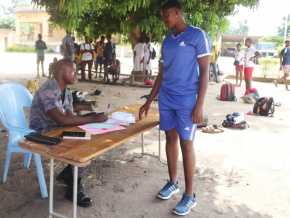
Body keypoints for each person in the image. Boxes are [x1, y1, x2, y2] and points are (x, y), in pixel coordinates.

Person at [139, 0, 211, 216]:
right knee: (170, 139)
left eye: (166, 16)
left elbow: (205, 71)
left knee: (186, 144)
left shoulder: (198, 36)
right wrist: (150, 99)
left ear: (177, 13)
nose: (164, 20)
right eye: (163, 16)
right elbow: (161, 73)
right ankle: (173, 182)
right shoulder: (167, 42)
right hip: (167, 98)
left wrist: (199, 104)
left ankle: (189, 196)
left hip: (187, 99)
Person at [29, 59, 108, 208]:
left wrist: (88, 118)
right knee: (83, 145)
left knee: (92, 138)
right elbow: (62, 120)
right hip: (43, 132)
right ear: (61, 72)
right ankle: (72, 189)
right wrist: (91, 118)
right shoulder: (49, 91)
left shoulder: (66, 92)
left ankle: (68, 175)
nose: (76, 74)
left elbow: (70, 117)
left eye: (76, 71)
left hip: (57, 128)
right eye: (72, 71)